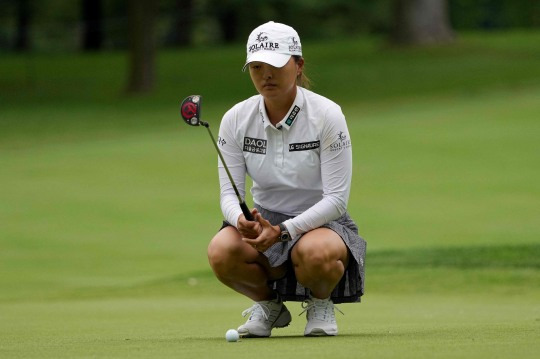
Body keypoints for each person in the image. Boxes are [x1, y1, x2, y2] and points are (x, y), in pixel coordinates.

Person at [207, 21, 366, 338]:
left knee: (316, 253)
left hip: (322, 223)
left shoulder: (326, 114)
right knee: (221, 251)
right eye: (256, 66)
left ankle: (320, 302)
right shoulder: (236, 118)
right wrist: (241, 220)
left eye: (276, 65)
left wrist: (283, 231)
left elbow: (336, 200)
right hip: (264, 219)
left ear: (298, 65)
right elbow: (229, 193)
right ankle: (268, 306)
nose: (265, 74)